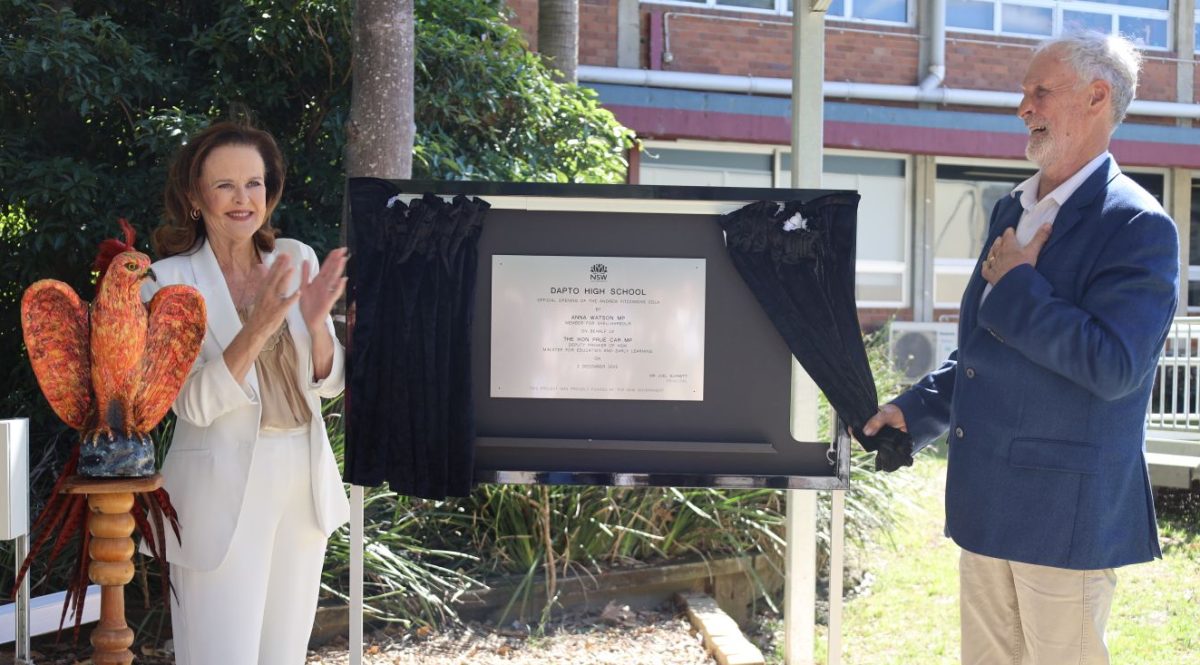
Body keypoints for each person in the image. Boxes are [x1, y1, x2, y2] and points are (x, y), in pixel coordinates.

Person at [862, 32, 1178, 665]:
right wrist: (919, 410)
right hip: (986, 503)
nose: (1022, 108)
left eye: (1039, 91)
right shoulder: (1013, 207)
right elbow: (985, 350)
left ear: (1097, 96)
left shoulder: (1137, 225)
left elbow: (1113, 366)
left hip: (1064, 516)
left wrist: (1018, 283)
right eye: (1023, 92)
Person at [143, 120, 350, 665]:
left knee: (283, 655)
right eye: (225, 185)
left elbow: (329, 385)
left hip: (302, 483)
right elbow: (190, 404)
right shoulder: (165, 282)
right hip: (219, 491)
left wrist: (319, 323)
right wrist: (256, 327)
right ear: (194, 196)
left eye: (254, 183)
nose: (243, 199)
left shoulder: (298, 257)